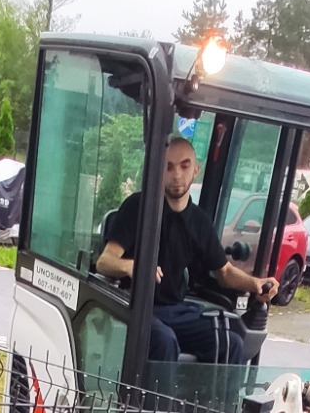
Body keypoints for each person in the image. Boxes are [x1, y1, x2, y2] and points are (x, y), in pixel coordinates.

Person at [95, 134, 278, 363]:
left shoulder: (199, 222)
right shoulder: (137, 207)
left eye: (184, 166)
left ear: (196, 170)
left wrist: (256, 284)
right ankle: (156, 400)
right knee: (164, 340)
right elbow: (105, 261)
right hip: (133, 307)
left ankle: (215, 400)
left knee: (231, 342)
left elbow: (224, 272)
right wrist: (133, 266)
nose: (177, 175)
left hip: (176, 310)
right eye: (169, 167)